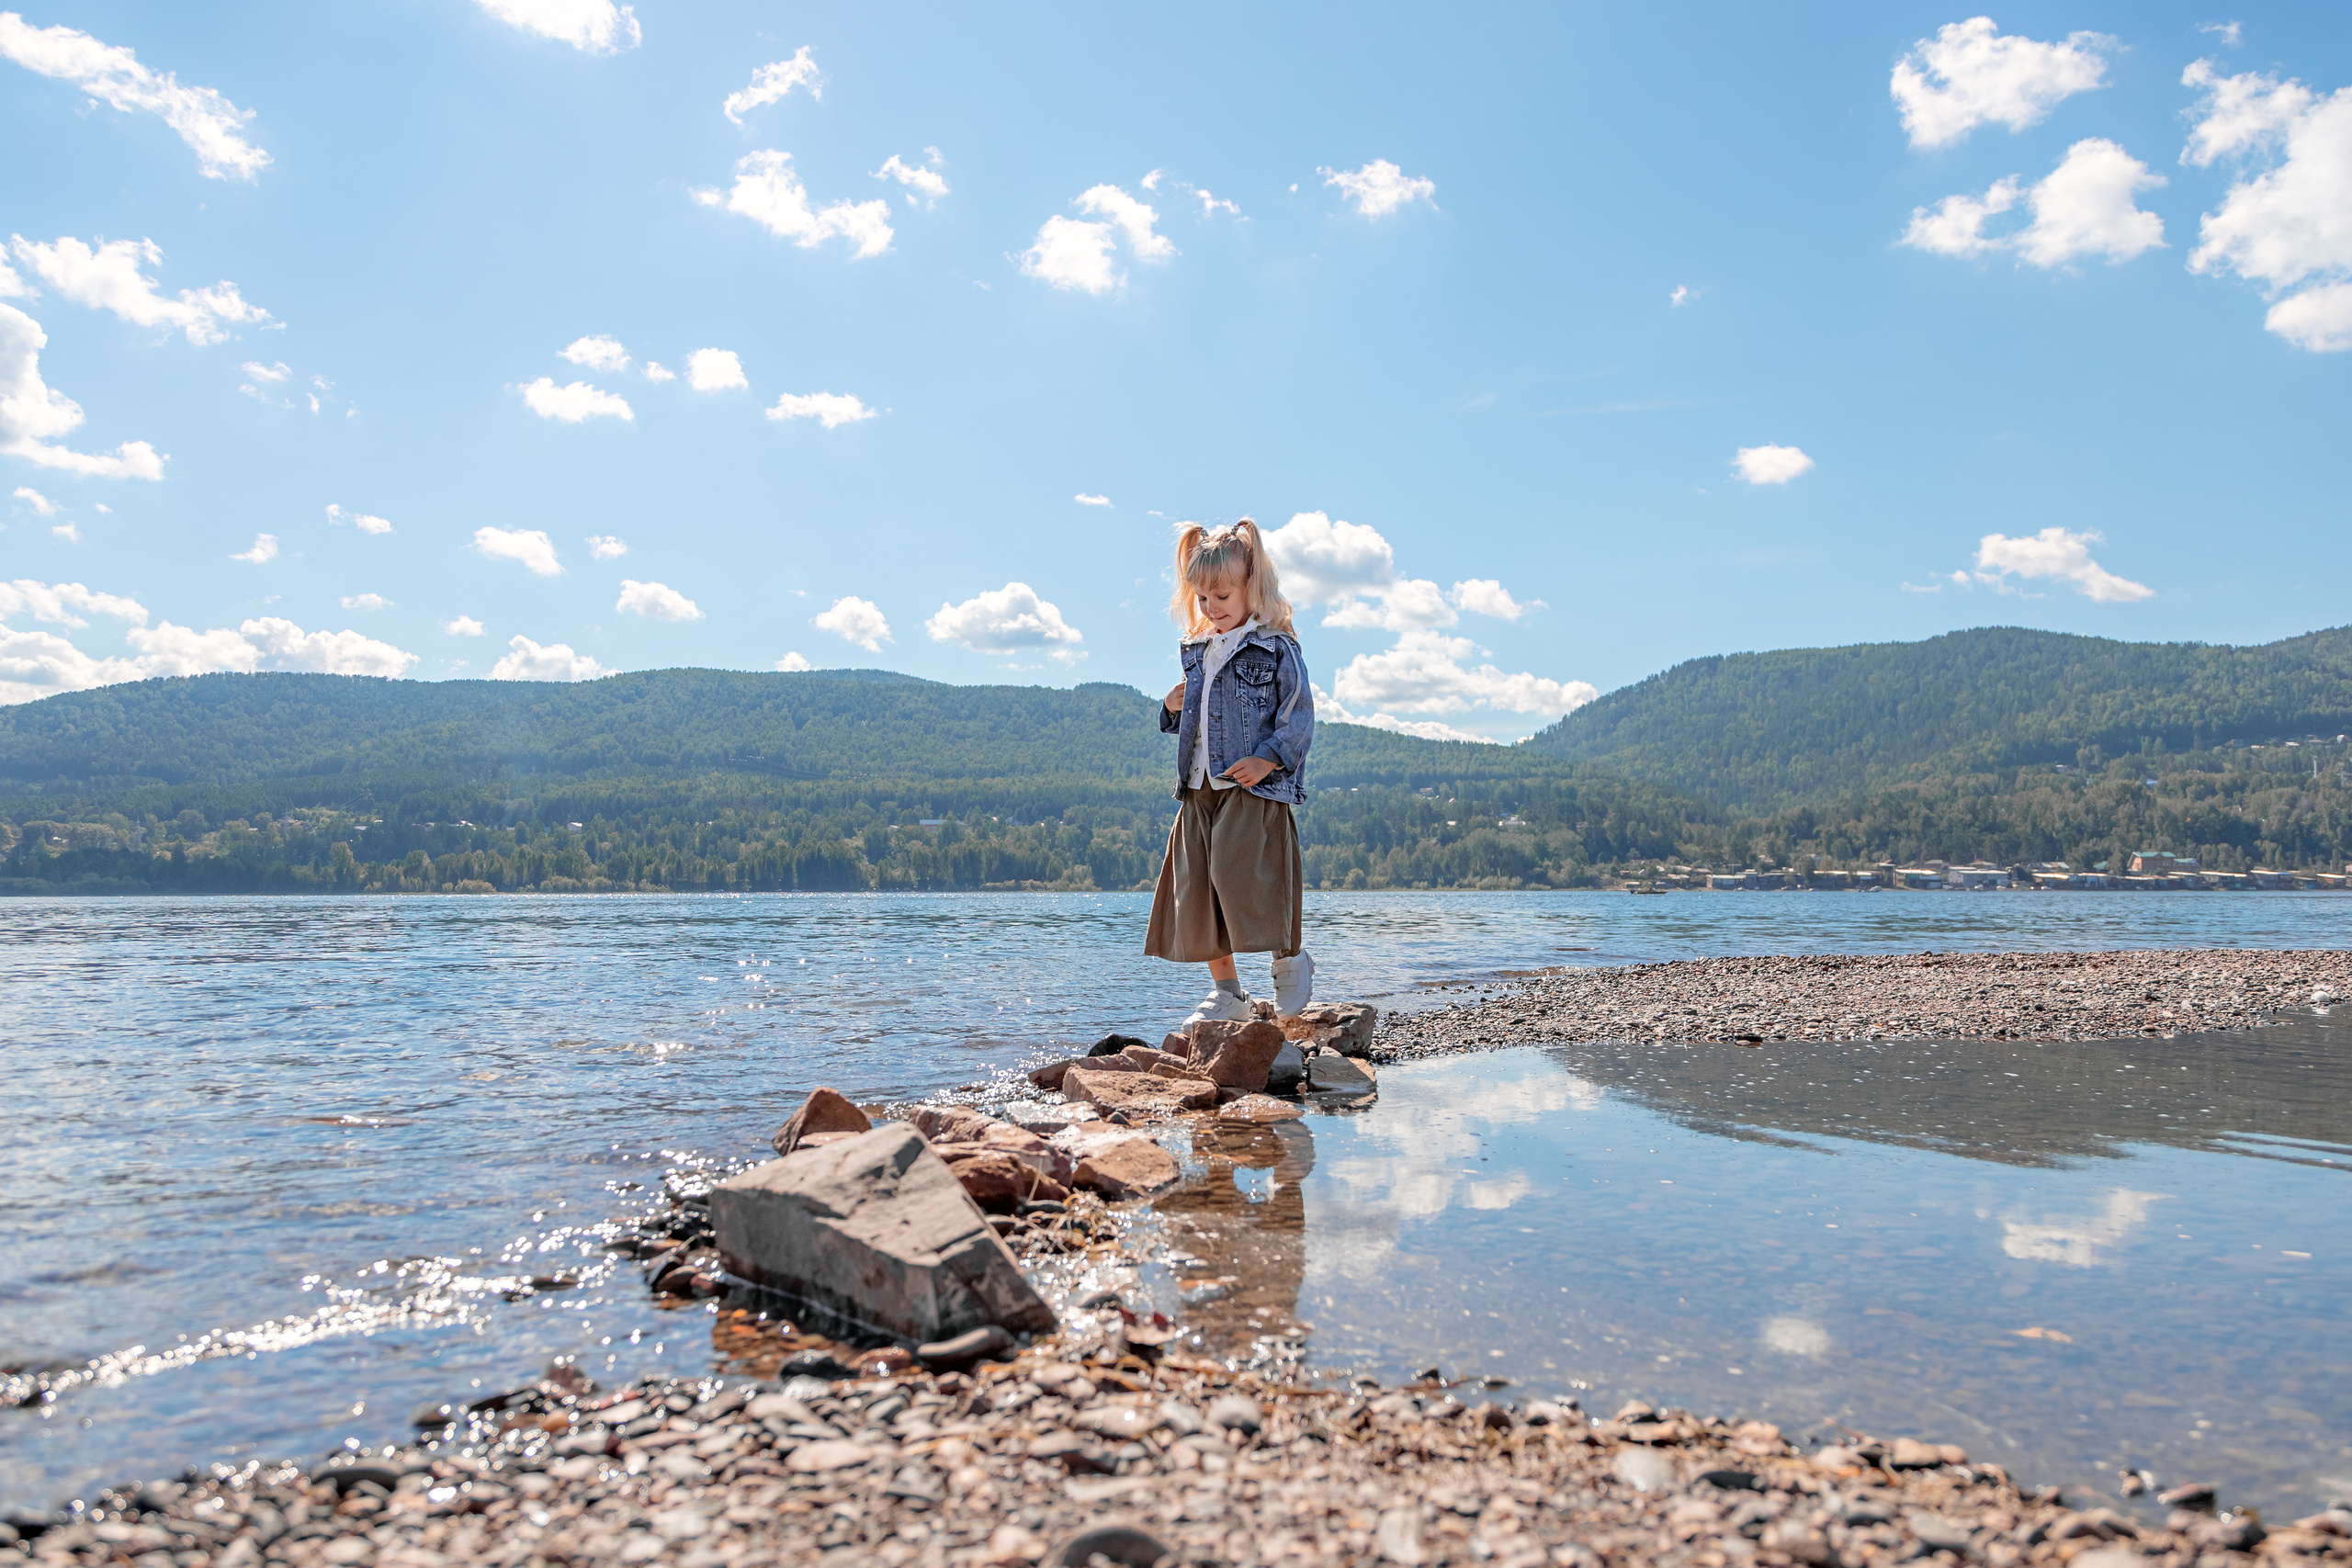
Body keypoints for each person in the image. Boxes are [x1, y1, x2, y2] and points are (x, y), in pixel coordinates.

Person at [1145, 517, 1316, 1025]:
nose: (1211, 607)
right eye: (1202, 598)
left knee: (1247, 879)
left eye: (1221, 596)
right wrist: (1171, 709)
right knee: (1200, 889)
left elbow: (1299, 716)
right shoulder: (1198, 651)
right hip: (1199, 788)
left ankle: (1289, 959)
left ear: (1251, 587)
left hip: (1251, 787)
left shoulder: (1275, 647)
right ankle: (1228, 994)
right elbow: (1199, 722)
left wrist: (1269, 758)